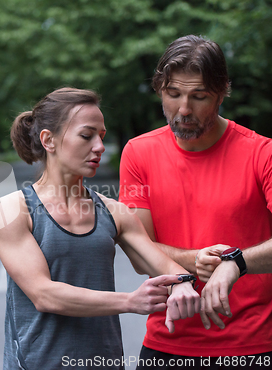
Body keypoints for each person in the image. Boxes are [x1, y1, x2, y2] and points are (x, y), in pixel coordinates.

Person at [0, 87, 200, 370]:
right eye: (86, 135)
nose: (100, 147)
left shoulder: (114, 211)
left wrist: (183, 283)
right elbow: (44, 294)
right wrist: (130, 301)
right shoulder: (13, 210)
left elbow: (163, 264)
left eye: (101, 137)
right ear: (48, 140)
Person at [119, 35, 272, 369]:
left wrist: (237, 263)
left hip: (253, 345)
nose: (184, 109)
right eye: (173, 94)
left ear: (221, 94)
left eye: (198, 96)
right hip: (167, 341)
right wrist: (194, 260)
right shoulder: (138, 153)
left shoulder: (262, 153)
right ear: (160, 89)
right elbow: (138, 252)